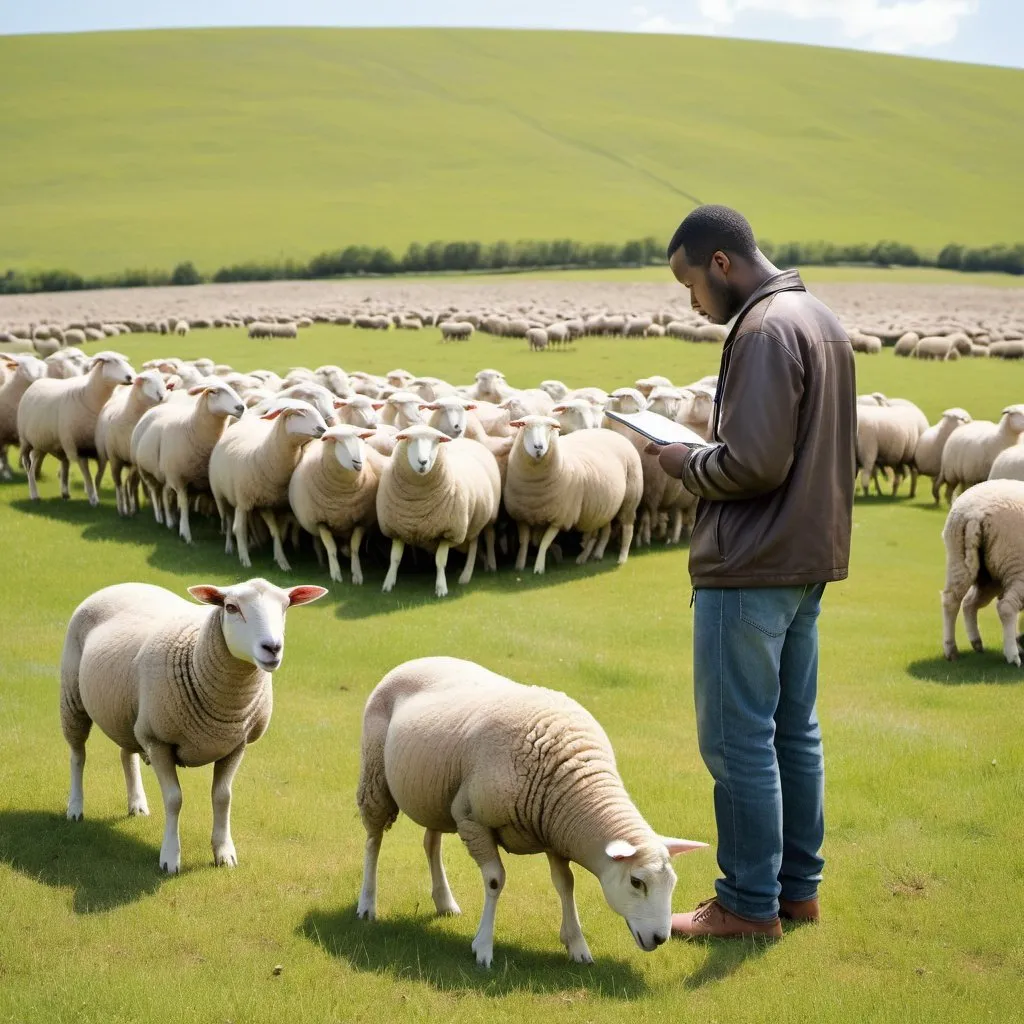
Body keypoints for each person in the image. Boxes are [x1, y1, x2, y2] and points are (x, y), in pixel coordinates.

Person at [649, 205, 857, 939]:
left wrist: (683, 461)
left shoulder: (764, 330)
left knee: (739, 740)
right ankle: (796, 891)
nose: (694, 303)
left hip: (750, 563)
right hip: (806, 556)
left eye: (692, 286)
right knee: (792, 732)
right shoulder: (819, 319)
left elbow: (755, 462)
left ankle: (744, 903)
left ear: (722, 264)